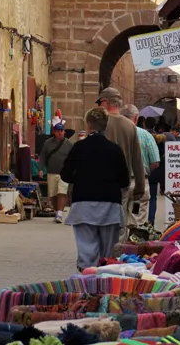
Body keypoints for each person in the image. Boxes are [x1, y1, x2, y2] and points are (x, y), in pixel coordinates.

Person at [59, 107, 130, 271]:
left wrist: (82, 179)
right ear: (106, 126)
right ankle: (105, 283)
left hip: (83, 204)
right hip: (110, 206)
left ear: (89, 125)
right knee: (108, 253)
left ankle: (88, 281)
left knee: (86, 249)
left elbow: (65, 175)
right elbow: (125, 180)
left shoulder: (79, 147)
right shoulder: (115, 149)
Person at [95, 88, 146, 236]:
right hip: (121, 183)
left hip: (99, 182)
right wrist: (140, 187)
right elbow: (137, 159)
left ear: (105, 102)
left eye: (100, 102)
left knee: (100, 220)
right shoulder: (130, 126)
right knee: (119, 221)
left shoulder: (98, 124)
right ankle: (115, 254)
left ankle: (100, 252)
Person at [123, 105, 159, 228]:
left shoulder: (114, 135)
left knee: (119, 222)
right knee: (137, 220)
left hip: (119, 183)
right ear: (136, 117)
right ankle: (135, 245)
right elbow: (155, 162)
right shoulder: (146, 136)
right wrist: (144, 170)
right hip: (139, 182)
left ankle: (119, 246)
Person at [38, 122, 74, 222]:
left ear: (64, 132)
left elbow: (73, 157)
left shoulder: (69, 144)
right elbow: (43, 156)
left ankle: (59, 213)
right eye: (58, 131)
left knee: (62, 192)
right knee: (53, 194)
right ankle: (56, 210)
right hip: (51, 172)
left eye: (62, 131)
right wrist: (40, 169)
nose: (60, 133)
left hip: (64, 173)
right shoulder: (48, 143)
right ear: (54, 132)